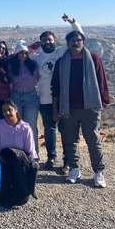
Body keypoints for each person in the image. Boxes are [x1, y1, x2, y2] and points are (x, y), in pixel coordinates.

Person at [51, 30, 110, 188]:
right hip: (68, 108)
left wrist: (102, 103)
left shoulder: (94, 59)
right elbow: (55, 87)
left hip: (90, 108)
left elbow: (102, 81)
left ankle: (98, 172)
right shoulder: (61, 62)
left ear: (83, 42)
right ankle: (74, 168)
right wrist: (56, 110)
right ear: (67, 44)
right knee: (71, 141)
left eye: (78, 40)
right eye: (72, 41)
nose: (75, 43)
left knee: (93, 141)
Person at [33, 14, 83, 172]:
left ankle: (67, 161)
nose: (47, 42)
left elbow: (79, 36)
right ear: (40, 43)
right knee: (49, 131)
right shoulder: (37, 58)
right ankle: (51, 157)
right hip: (44, 100)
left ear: (55, 41)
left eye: (50, 39)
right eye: (44, 40)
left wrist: (72, 22)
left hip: (63, 99)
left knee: (65, 130)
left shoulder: (62, 52)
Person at [8, 40, 40, 159]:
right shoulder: (11, 67)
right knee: (17, 126)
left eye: (25, 53)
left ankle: (34, 156)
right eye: (21, 53)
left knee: (31, 127)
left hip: (31, 97)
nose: (23, 55)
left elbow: (37, 78)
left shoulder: (33, 66)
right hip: (16, 97)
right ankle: (20, 156)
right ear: (17, 54)